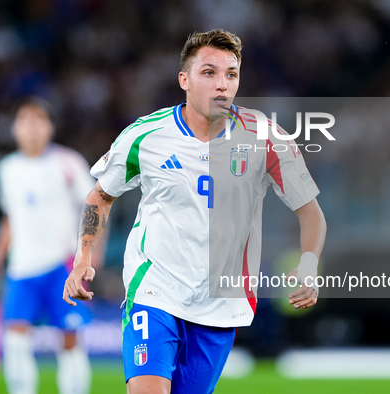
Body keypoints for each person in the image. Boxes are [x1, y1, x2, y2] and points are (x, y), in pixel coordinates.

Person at [63, 29, 326, 394]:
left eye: (231, 74)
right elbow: (100, 196)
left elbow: (309, 210)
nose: (222, 85)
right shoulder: (146, 136)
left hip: (220, 305)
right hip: (154, 291)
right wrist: (83, 257)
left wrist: (309, 263)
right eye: (209, 72)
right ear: (184, 80)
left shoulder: (266, 138)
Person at [0, 97, 95, 394]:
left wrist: (88, 257)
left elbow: (94, 211)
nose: (32, 127)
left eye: (38, 120)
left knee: (70, 337)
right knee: (15, 338)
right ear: (14, 128)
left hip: (62, 265)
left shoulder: (68, 163)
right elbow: (12, 216)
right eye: (25, 120)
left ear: (50, 127)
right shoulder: (6, 169)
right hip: (21, 267)